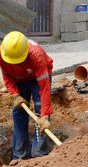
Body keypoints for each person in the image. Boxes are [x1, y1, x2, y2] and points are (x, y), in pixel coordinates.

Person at [0, 31, 53, 161]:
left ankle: (39, 153)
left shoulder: (36, 55)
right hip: (18, 79)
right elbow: (6, 75)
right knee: (19, 112)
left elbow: (44, 87)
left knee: (40, 112)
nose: (15, 63)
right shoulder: (3, 55)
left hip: (37, 79)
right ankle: (20, 155)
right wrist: (15, 94)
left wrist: (45, 114)